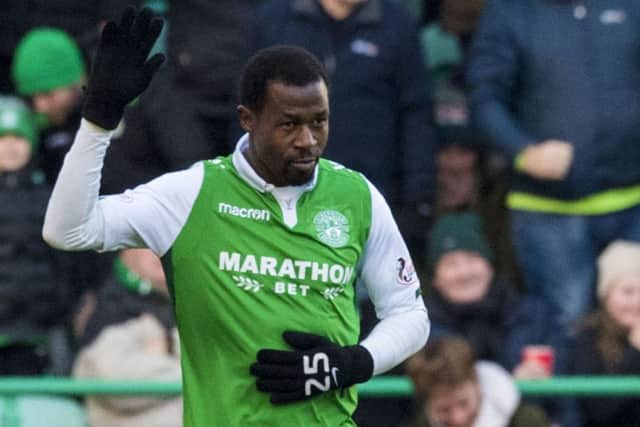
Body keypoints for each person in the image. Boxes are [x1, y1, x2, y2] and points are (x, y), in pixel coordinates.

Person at [42, 7, 429, 426]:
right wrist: (98, 121)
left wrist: (355, 362)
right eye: (289, 125)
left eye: (319, 122)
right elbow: (67, 230)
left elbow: (410, 314)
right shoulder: (191, 194)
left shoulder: (357, 196)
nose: (308, 140)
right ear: (247, 119)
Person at [467, 0, 640, 332]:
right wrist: (523, 151)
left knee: (635, 330)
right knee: (567, 327)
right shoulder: (509, 12)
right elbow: (484, 98)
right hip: (549, 211)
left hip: (632, 204)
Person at [252, 0, 438, 265]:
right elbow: (250, 109)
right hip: (283, 196)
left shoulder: (397, 21)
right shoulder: (274, 18)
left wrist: (418, 197)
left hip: (369, 198)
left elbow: (416, 114)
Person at [0, 96, 72, 375]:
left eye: (18, 138)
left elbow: (66, 264)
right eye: (3, 138)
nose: (10, 147)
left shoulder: (50, 197)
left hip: (40, 332)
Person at [73, 248, 181, 427]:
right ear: (124, 248)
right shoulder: (108, 312)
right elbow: (115, 385)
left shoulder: (191, 307)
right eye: (147, 242)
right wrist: (195, 375)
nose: (160, 251)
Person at [405, 337, 550, 427]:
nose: (458, 418)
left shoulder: (527, 421)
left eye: (464, 402)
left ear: (477, 384)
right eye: (444, 410)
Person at [572, 240, 640, 427]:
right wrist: (635, 352)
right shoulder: (587, 338)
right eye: (628, 292)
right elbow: (599, 411)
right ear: (605, 296)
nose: (637, 301)